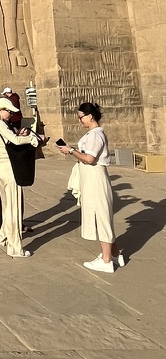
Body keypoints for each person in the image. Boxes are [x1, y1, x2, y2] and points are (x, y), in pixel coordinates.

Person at [58, 102, 123, 273]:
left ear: (90, 116)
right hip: (91, 177)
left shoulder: (95, 135)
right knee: (103, 215)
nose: (80, 121)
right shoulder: (93, 134)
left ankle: (106, 260)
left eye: (81, 117)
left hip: (95, 177)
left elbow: (90, 159)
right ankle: (114, 254)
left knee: (101, 216)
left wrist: (71, 151)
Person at [0, 96, 41, 257]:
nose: (11, 114)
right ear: (0, 111)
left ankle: (4, 235)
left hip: (0, 166)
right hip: (9, 167)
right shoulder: (0, 124)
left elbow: (10, 140)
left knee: (6, 204)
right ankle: (15, 247)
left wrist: (20, 134)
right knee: (14, 207)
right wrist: (33, 138)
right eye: (9, 112)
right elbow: (16, 141)